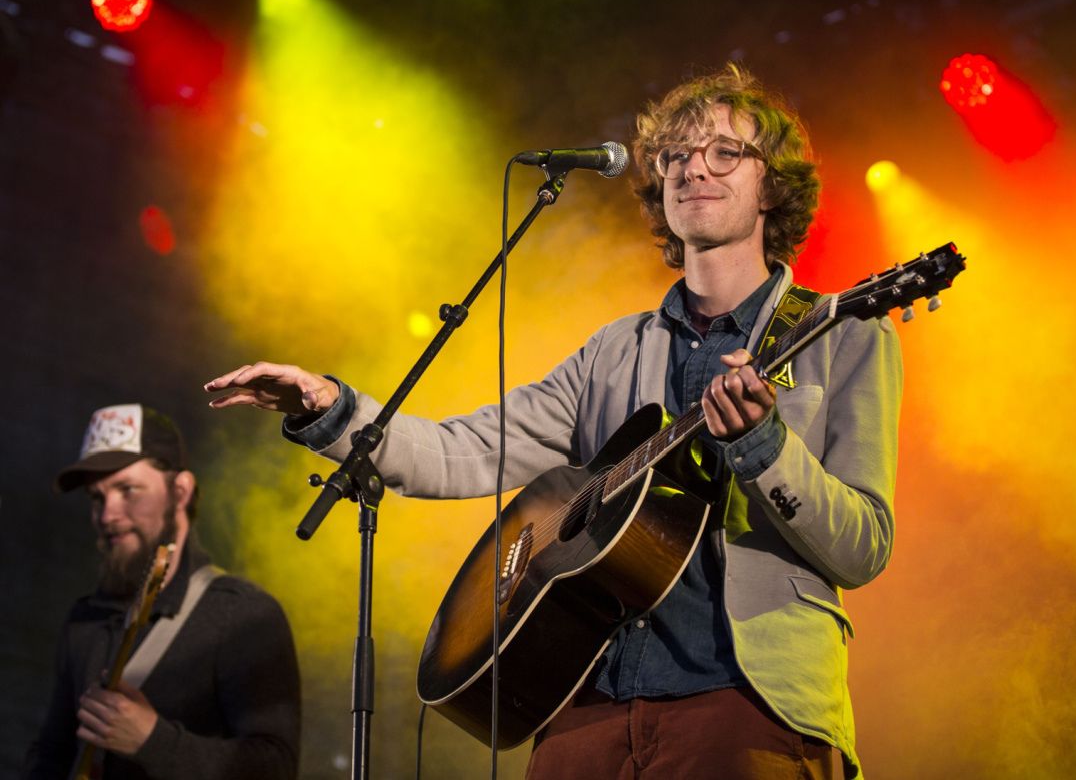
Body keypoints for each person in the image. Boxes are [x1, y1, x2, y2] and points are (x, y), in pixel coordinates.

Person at [204, 65, 901, 779]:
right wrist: (329, 405)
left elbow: (862, 547)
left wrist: (763, 446)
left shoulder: (841, 336)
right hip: (582, 708)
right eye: (677, 155)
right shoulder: (612, 352)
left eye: (725, 152)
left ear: (772, 187)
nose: (695, 168)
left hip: (746, 708)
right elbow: (464, 450)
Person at [24, 404, 301, 780]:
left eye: (128, 490)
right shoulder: (86, 620)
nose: (107, 515)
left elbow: (276, 768)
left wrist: (151, 740)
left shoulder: (243, 616)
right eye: (97, 497)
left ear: (181, 491)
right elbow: (51, 756)